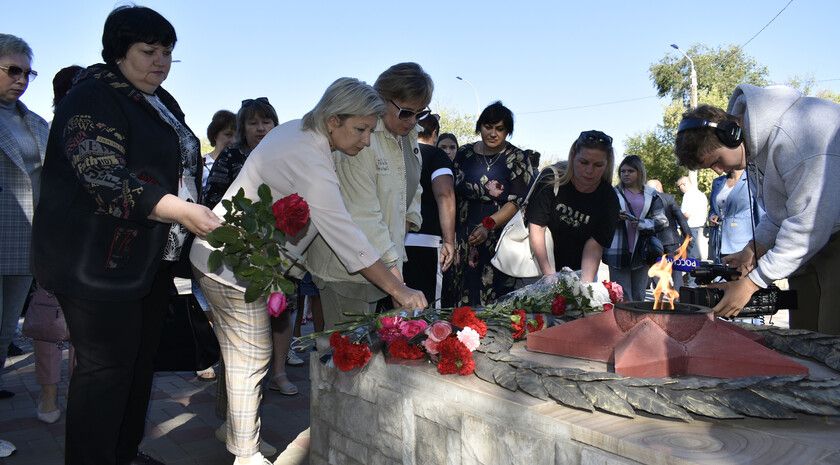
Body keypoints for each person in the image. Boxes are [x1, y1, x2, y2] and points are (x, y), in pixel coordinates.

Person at [190, 77, 427, 465]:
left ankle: (230, 428)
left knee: (237, 351)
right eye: (362, 129)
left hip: (232, 261)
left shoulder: (301, 132)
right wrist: (399, 290)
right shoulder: (309, 154)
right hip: (230, 267)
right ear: (334, 120)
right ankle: (245, 455)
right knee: (252, 356)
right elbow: (344, 234)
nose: (367, 140)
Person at [31, 7, 221, 464]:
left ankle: (123, 453)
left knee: (137, 367)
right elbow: (102, 176)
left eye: (168, 52)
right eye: (148, 51)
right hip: (94, 261)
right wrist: (179, 210)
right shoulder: (93, 96)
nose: (160, 61)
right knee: (105, 370)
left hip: (149, 259)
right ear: (118, 51)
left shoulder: (161, 100)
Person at [674, 85, 840, 334]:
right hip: (815, 242)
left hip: (829, 237)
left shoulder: (798, 139)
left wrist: (751, 284)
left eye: (717, 161)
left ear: (731, 134)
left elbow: (809, 224)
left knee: (832, 342)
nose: (719, 171)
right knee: (805, 337)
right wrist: (753, 249)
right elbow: (779, 214)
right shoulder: (753, 149)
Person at [305, 62, 432, 328]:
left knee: (368, 354)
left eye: (420, 114)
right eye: (406, 112)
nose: (412, 122)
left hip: (384, 263)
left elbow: (412, 192)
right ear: (381, 98)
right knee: (346, 356)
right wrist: (398, 284)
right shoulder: (360, 139)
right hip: (348, 271)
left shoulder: (407, 135)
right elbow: (363, 215)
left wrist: (395, 258)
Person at [0, 33, 48, 459]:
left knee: (2, 335)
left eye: (27, 72)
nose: (22, 80)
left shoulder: (35, 122)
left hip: (23, 243)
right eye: (12, 70)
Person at [26, 65, 83, 426]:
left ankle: (77, 395)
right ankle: (48, 396)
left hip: (89, 247)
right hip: (51, 242)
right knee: (49, 323)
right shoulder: (43, 133)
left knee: (85, 328)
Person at [452, 101, 533, 306]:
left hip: (498, 235)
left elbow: (516, 202)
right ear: (480, 126)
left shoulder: (517, 158)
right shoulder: (464, 154)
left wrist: (488, 225)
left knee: (495, 294)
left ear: (508, 131)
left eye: (500, 129)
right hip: (463, 232)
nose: (493, 133)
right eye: (488, 127)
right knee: (460, 289)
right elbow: (451, 192)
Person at [527, 131, 620, 282]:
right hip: (537, 265)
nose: (589, 171)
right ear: (572, 156)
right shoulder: (551, 179)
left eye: (598, 165)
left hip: (579, 271)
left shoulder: (609, 199)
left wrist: (585, 285)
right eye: (583, 162)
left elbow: (594, 245)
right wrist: (549, 276)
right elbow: (537, 226)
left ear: (607, 164)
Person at [403, 113, 456, 307]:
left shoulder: (399, 151)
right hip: (427, 244)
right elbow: (445, 195)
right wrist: (450, 241)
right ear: (434, 133)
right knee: (430, 311)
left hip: (393, 242)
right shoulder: (437, 156)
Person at [603, 155, 668, 301]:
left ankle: (638, 323)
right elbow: (600, 218)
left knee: (639, 295)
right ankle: (623, 323)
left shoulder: (651, 194)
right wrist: (614, 216)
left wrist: (642, 223)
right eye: (622, 171)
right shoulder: (613, 193)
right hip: (617, 251)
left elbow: (662, 221)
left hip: (642, 251)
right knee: (621, 296)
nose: (625, 174)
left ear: (639, 172)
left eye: (630, 171)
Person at [707, 169, 764, 264]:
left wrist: (759, 244)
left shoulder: (752, 179)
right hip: (719, 242)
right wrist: (712, 215)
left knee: (740, 277)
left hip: (743, 244)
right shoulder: (718, 182)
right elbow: (713, 209)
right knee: (719, 276)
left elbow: (761, 214)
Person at [646, 179, 691, 289]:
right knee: (676, 269)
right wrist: (687, 235)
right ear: (660, 187)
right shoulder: (669, 198)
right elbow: (680, 218)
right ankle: (678, 295)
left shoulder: (645, 200)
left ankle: (660, 294)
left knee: (656, 268)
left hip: (653, 241)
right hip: (671, 240)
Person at [677, 175, 708, 263]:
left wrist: (676, 218)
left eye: (679, 186)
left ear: (684, 184)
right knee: (696, 257)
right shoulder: (702, 195)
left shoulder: (688, 195)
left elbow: (686, 214)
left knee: (689, 258)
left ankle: (691, 276)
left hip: (690, 229)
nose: (680, 189)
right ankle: (696, 276)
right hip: (701, 229)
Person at [203, 110, 236, 187]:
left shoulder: (245, 164)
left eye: (237, 135)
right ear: (215, 135)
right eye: (228, 134)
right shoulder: (201, 165)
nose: (234, 140)